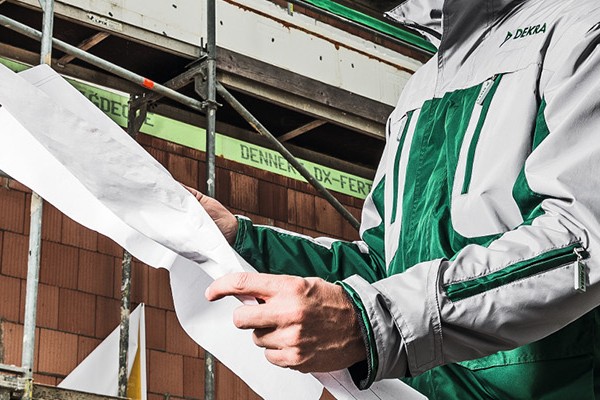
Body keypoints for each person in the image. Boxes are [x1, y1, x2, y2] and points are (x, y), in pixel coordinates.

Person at [193, 0, 600, 397]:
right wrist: (242, 240)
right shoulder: (421, 87)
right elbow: (382, 265)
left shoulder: (580, 28)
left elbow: (584, 240)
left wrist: (371, 321)